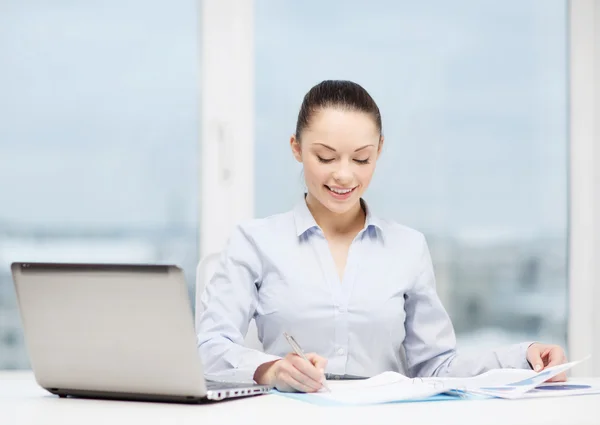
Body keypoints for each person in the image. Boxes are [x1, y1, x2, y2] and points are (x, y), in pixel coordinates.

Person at [196, 80, 567, 393]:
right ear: (296, 148)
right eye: (325, 157)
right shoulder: (255, 241)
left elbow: (436, 366)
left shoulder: (408, 248)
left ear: (379, 151)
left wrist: (523, 357)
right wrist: (272, 370)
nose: (344, 175)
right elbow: (210, 347)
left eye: (361, 159)